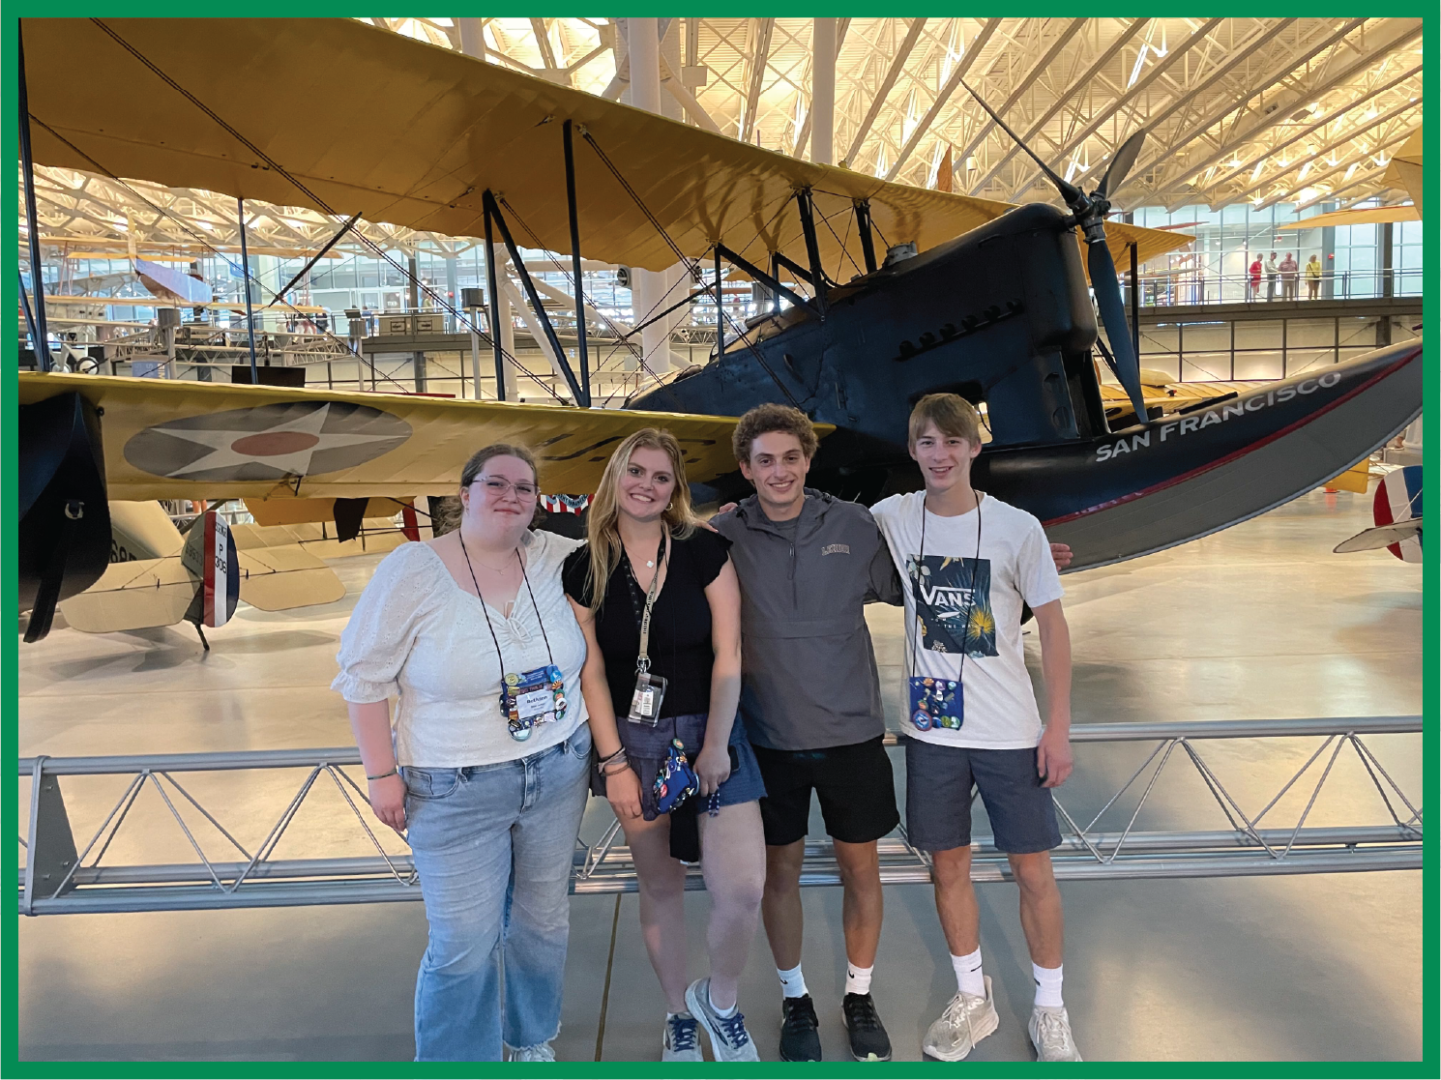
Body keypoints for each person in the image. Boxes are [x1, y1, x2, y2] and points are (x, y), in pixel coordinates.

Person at [712, 403, 1074, 1063]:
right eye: (927, 443)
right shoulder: (853, 522)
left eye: (791, 457)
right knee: (918, 868)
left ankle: (1028, 1005)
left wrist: (1025, 568)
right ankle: (910, 995)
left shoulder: (974, 527)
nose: (779, 471)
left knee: (1011, 870)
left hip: (952, 729)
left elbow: (983, 603)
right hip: (883, 731)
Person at [333, 444, 591, 1063]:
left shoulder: (558, 557)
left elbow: (644, 543)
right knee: (463, 942)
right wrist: (381, 775)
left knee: (542, 926)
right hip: (454, 785)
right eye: (496, 483)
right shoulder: (414, 570)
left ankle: (531, 1039)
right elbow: (362, 678)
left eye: (525, 488)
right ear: (465, 492)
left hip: (557, 770)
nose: (511, 496)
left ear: (539, 501)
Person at [872, 394, 1081, 1063]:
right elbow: (815, 523)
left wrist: (1057, 727)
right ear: (912, 451)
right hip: (933, 728)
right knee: (948, 866)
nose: (940, 454)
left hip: (1008, 729)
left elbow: (1051, 626)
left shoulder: (1016, 528)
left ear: (974, 448)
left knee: (1032, 871)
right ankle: (971, 994)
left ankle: (1049, 1007)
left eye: (952, 442)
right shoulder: (893, 516)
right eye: (927, 442)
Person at [563, 428, 768, 1063]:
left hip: (712, 730)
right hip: (636, 742)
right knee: (661, 886)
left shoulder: (706, 551)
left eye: (661, 477)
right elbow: (589, 671)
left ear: (675, 489)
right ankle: (678, 1013)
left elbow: (729, 652)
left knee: (742, 889)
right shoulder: (585, 564)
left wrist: (715, 744)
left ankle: (721, 1001)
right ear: (615, 478)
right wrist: (614, 764)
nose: (647, 486)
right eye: (636, 472)